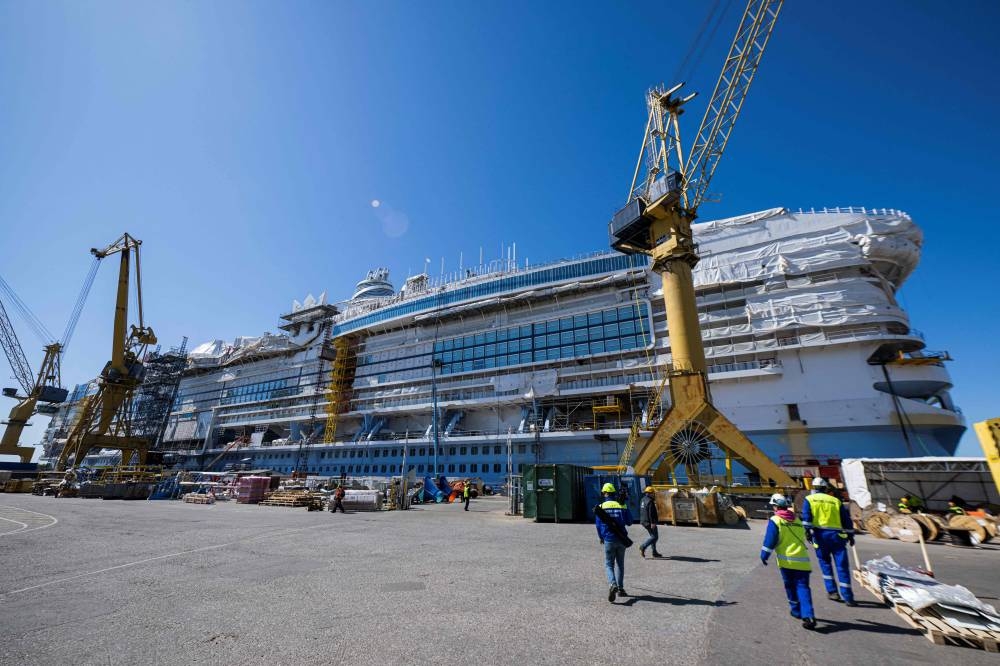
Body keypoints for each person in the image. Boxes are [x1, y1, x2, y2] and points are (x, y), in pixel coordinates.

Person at [761, 493, 816, 630]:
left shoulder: (776, 520)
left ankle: (796, 610)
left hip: (786, 563)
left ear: (775, 507)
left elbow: (770, 540)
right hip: (803, 562)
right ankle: (808, 615)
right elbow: (806, 535)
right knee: (803, 588)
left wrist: (764, 555)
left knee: (790, 586)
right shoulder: (798, 521)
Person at [802, 478, 856, 606]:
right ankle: (848, 597)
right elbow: (846, 520)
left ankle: (832, 592)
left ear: (813, 488)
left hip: (820, 536)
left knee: (825, 564)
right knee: (842, 566)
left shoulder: (810, 500)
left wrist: (807, 532)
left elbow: (806, 518)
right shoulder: (835, 501)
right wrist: (850, 535)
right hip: (837, 536)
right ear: (826, 488)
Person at [594, 482, 633, 602]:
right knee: (620, 564)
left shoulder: (601, 507)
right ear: (613, 493)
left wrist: (601, 537)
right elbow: (630, 522)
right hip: (621, 539)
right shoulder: (621, 505)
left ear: (604, 493)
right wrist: (624, 506)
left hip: (608, 539)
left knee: (609, 564)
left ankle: (612, 584)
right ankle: (621, 589)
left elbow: (598, 525)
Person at [639, 486, 663, 558]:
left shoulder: (642, 499)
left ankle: (654, 552)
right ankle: (643, 547)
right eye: (653, 493)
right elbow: (651, 513)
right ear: (649, 493)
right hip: (649, 522)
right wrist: (652, 523)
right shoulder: (650, 501)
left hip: (643, 520)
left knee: (653, 536)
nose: (654, 494)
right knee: (654, 537)